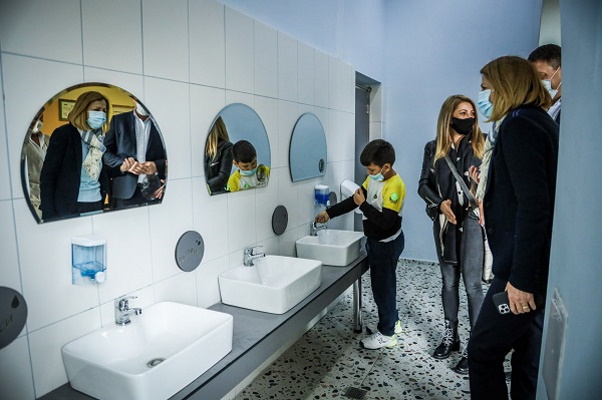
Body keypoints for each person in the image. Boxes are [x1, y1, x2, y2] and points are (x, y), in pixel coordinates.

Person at [467, 56, 558, 399]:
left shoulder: (519, 125)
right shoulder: (538, 119)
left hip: (519, 273)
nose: (483, 96)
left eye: (485, 88)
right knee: (526, 357)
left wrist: (520, 280)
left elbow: (534, 207)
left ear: (504, 86)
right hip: (534, 267)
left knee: (482, 352)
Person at [315, 139, 406, 349]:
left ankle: (387, 334)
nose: (368, 172)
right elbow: (354, 200)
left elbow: (386, 222)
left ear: (386, 167)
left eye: (371, 169)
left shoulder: (395, 186)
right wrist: (329, 213)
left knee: (382, 289)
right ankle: (392, 322)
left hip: (386, 244)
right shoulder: (374, 179)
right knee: (386, 286)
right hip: (377, 242)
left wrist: (363, 205)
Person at [418, 94, 485, 374]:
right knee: (448, 282)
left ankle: (475, 347)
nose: (469, 117)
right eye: (462, 112)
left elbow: (492, 184)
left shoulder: (482, 144)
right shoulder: (433, 148)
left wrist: (481, 191)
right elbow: (423, 185)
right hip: (445, 223)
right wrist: (439, 203)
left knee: (473, 286)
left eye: (471, 113)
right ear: (449, 115)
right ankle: (451, 337)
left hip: (471, 222)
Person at [40, 91, 110, 221]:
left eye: (104, 111)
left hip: (97, 202)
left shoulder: (101, 139)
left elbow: (103, 171)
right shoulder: (64, 134)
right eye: (97, 110)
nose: (101, 114)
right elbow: (48, 176)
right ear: (82, 110)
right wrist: (48, 213)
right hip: (70, 206)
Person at [102, 102, 167, 208]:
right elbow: (105, 153)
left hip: (156, 191)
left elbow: (175, 156)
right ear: (133, 99)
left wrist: (157, 166)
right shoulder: (118, 120)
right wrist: (124, 164)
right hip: (124, 190)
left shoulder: (163, 122)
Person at [528, 44, 562, 124]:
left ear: (561, 72)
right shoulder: (529, 108)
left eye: (542, 76)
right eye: (533, 78)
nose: (537, 82)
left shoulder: (575, 109)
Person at [25, 113, 50, 219]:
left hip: (50, 197)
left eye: (41, 117)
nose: (38, 121)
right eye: (35, 117)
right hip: (32, 199)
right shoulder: (20, 144)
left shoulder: (49, 139)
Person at [205, 116, 233, 194]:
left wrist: (205, 187)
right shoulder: (200, 149)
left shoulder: (227, 147)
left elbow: (222, 178)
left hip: (217, 195)